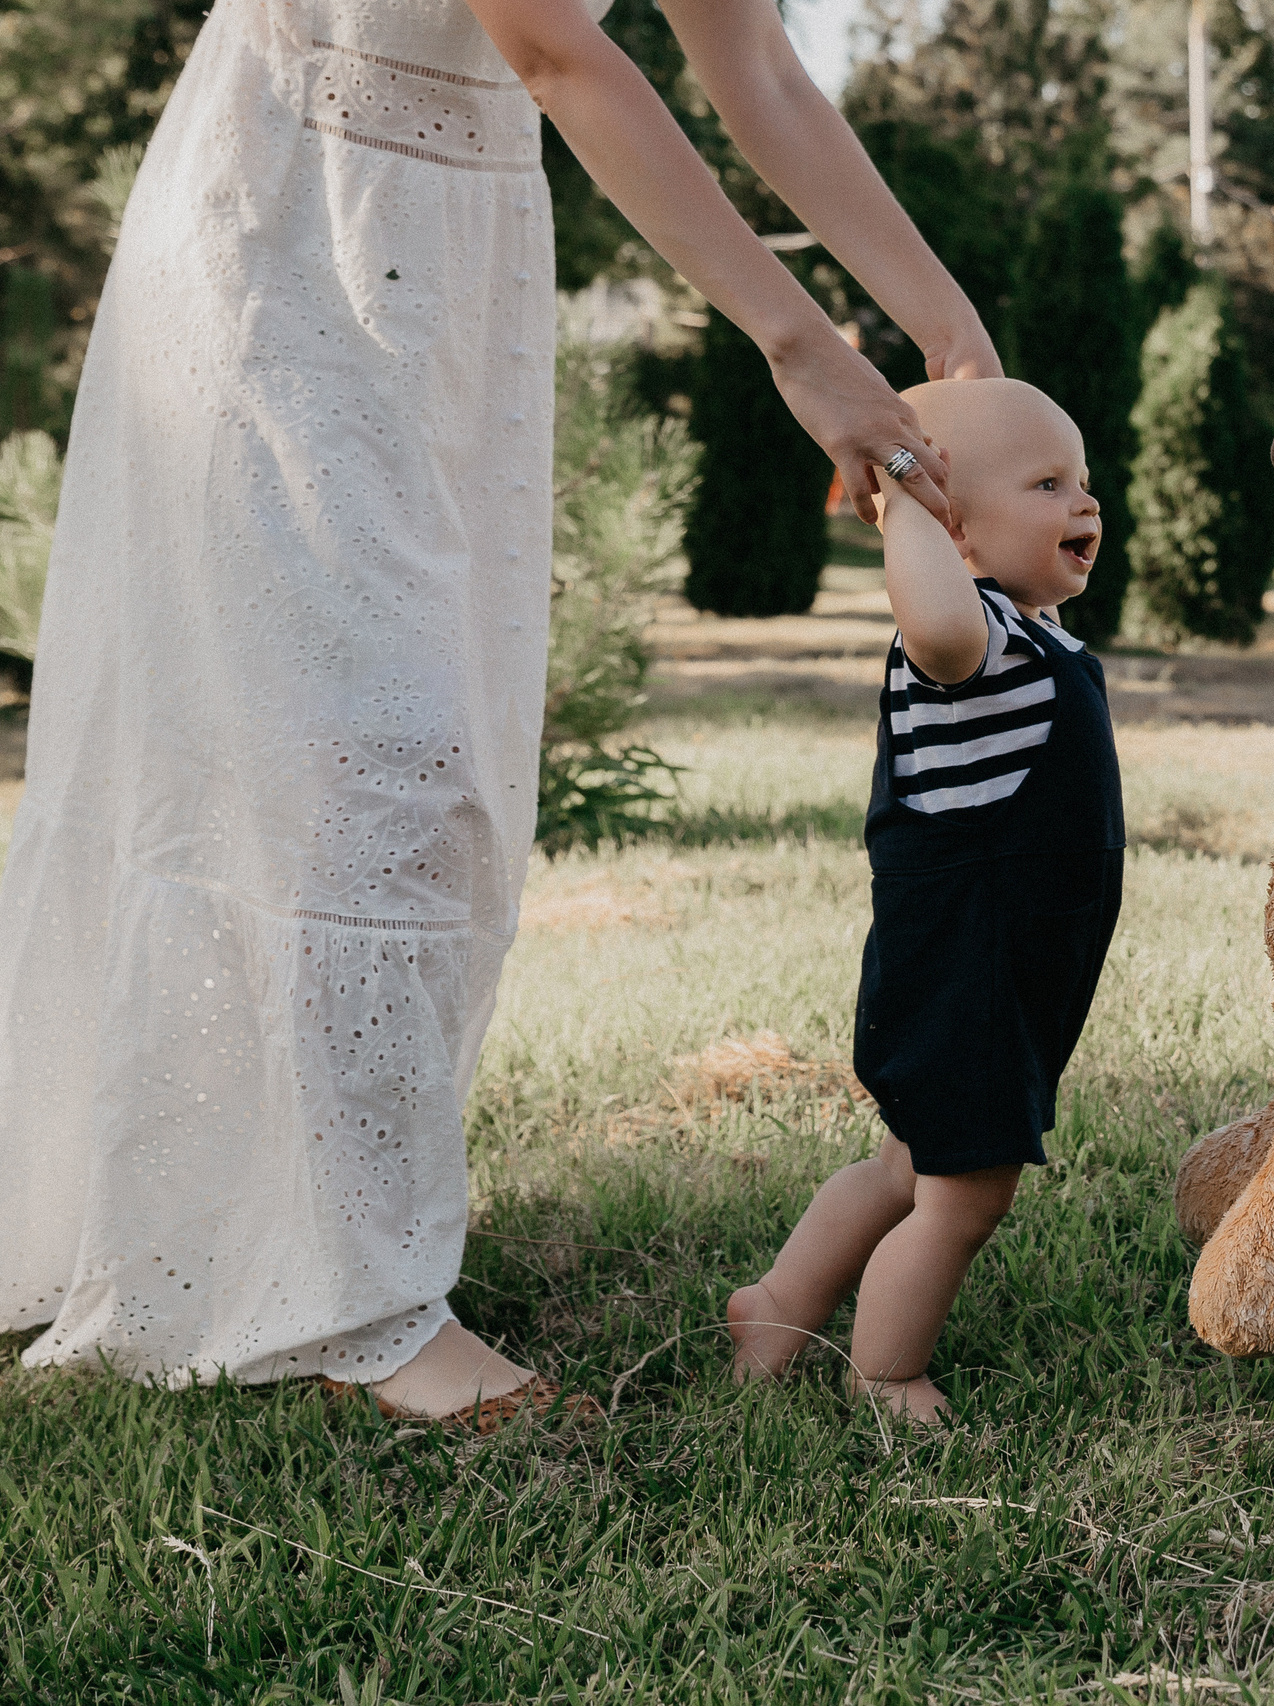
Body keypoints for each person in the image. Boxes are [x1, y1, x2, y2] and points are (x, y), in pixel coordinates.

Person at [0, 0, 998, 1426]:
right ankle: (356, 1305)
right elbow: (556, 47)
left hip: (453, 252)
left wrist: (945, 328)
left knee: (432, 736)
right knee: (370, 756)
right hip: (293, 219)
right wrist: (797, 345)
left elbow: (760, 67)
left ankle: (292, 1227)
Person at [725, 379, 1121, 1424]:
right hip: (965, 979)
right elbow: (937, 621)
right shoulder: (964, 641)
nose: (1085, 502)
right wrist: (903, 493)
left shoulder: (1030, 636)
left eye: (1082, 479)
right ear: (955, 533)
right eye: (1048, 483)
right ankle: (886, 1370)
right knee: (964, 1192)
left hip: (989, 976)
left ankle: (776, 1306)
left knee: (906, 1165)